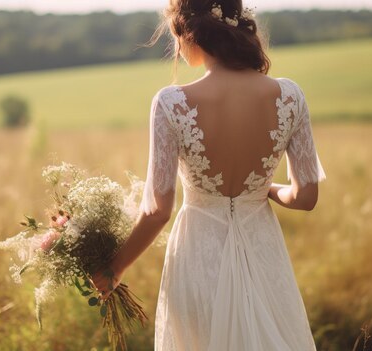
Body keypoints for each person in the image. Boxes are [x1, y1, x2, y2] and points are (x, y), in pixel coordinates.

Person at [92, 0, 326, 349]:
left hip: (200, 252)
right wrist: (268, 190)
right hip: (262, 249)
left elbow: (158, 210)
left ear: (190, 32)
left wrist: (114, 269)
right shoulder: (290, 96)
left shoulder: (172, 103)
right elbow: (306, 197)